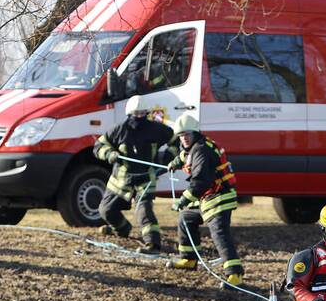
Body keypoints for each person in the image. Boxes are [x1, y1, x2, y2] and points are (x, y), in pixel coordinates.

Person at [165, 113, 244, 286]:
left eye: (187, 135)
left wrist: (183, 200)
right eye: (181, 135)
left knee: (219, 232)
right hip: (208, 197)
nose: (184, 138)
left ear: (195, 134)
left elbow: (200, 181)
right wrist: (174, 163)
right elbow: (185, 157)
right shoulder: (193, 148)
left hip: (219, 196)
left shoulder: (201, 149)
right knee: (186, 218)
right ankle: (189, 259)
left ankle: (235, 275)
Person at [93, 100, 176, 252]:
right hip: (120, 180)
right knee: (106, 210)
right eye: (136, 114)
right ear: (129, 114)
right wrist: (110, 154)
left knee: (144, 211)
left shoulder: (156, 129)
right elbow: (98, 146)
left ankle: (153, 244)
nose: (139, 117)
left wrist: (166, 159)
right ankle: (122, 229)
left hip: (145, 179)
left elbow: (175, 141)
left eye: (142, 113)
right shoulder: (119, 130)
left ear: (147, 113)